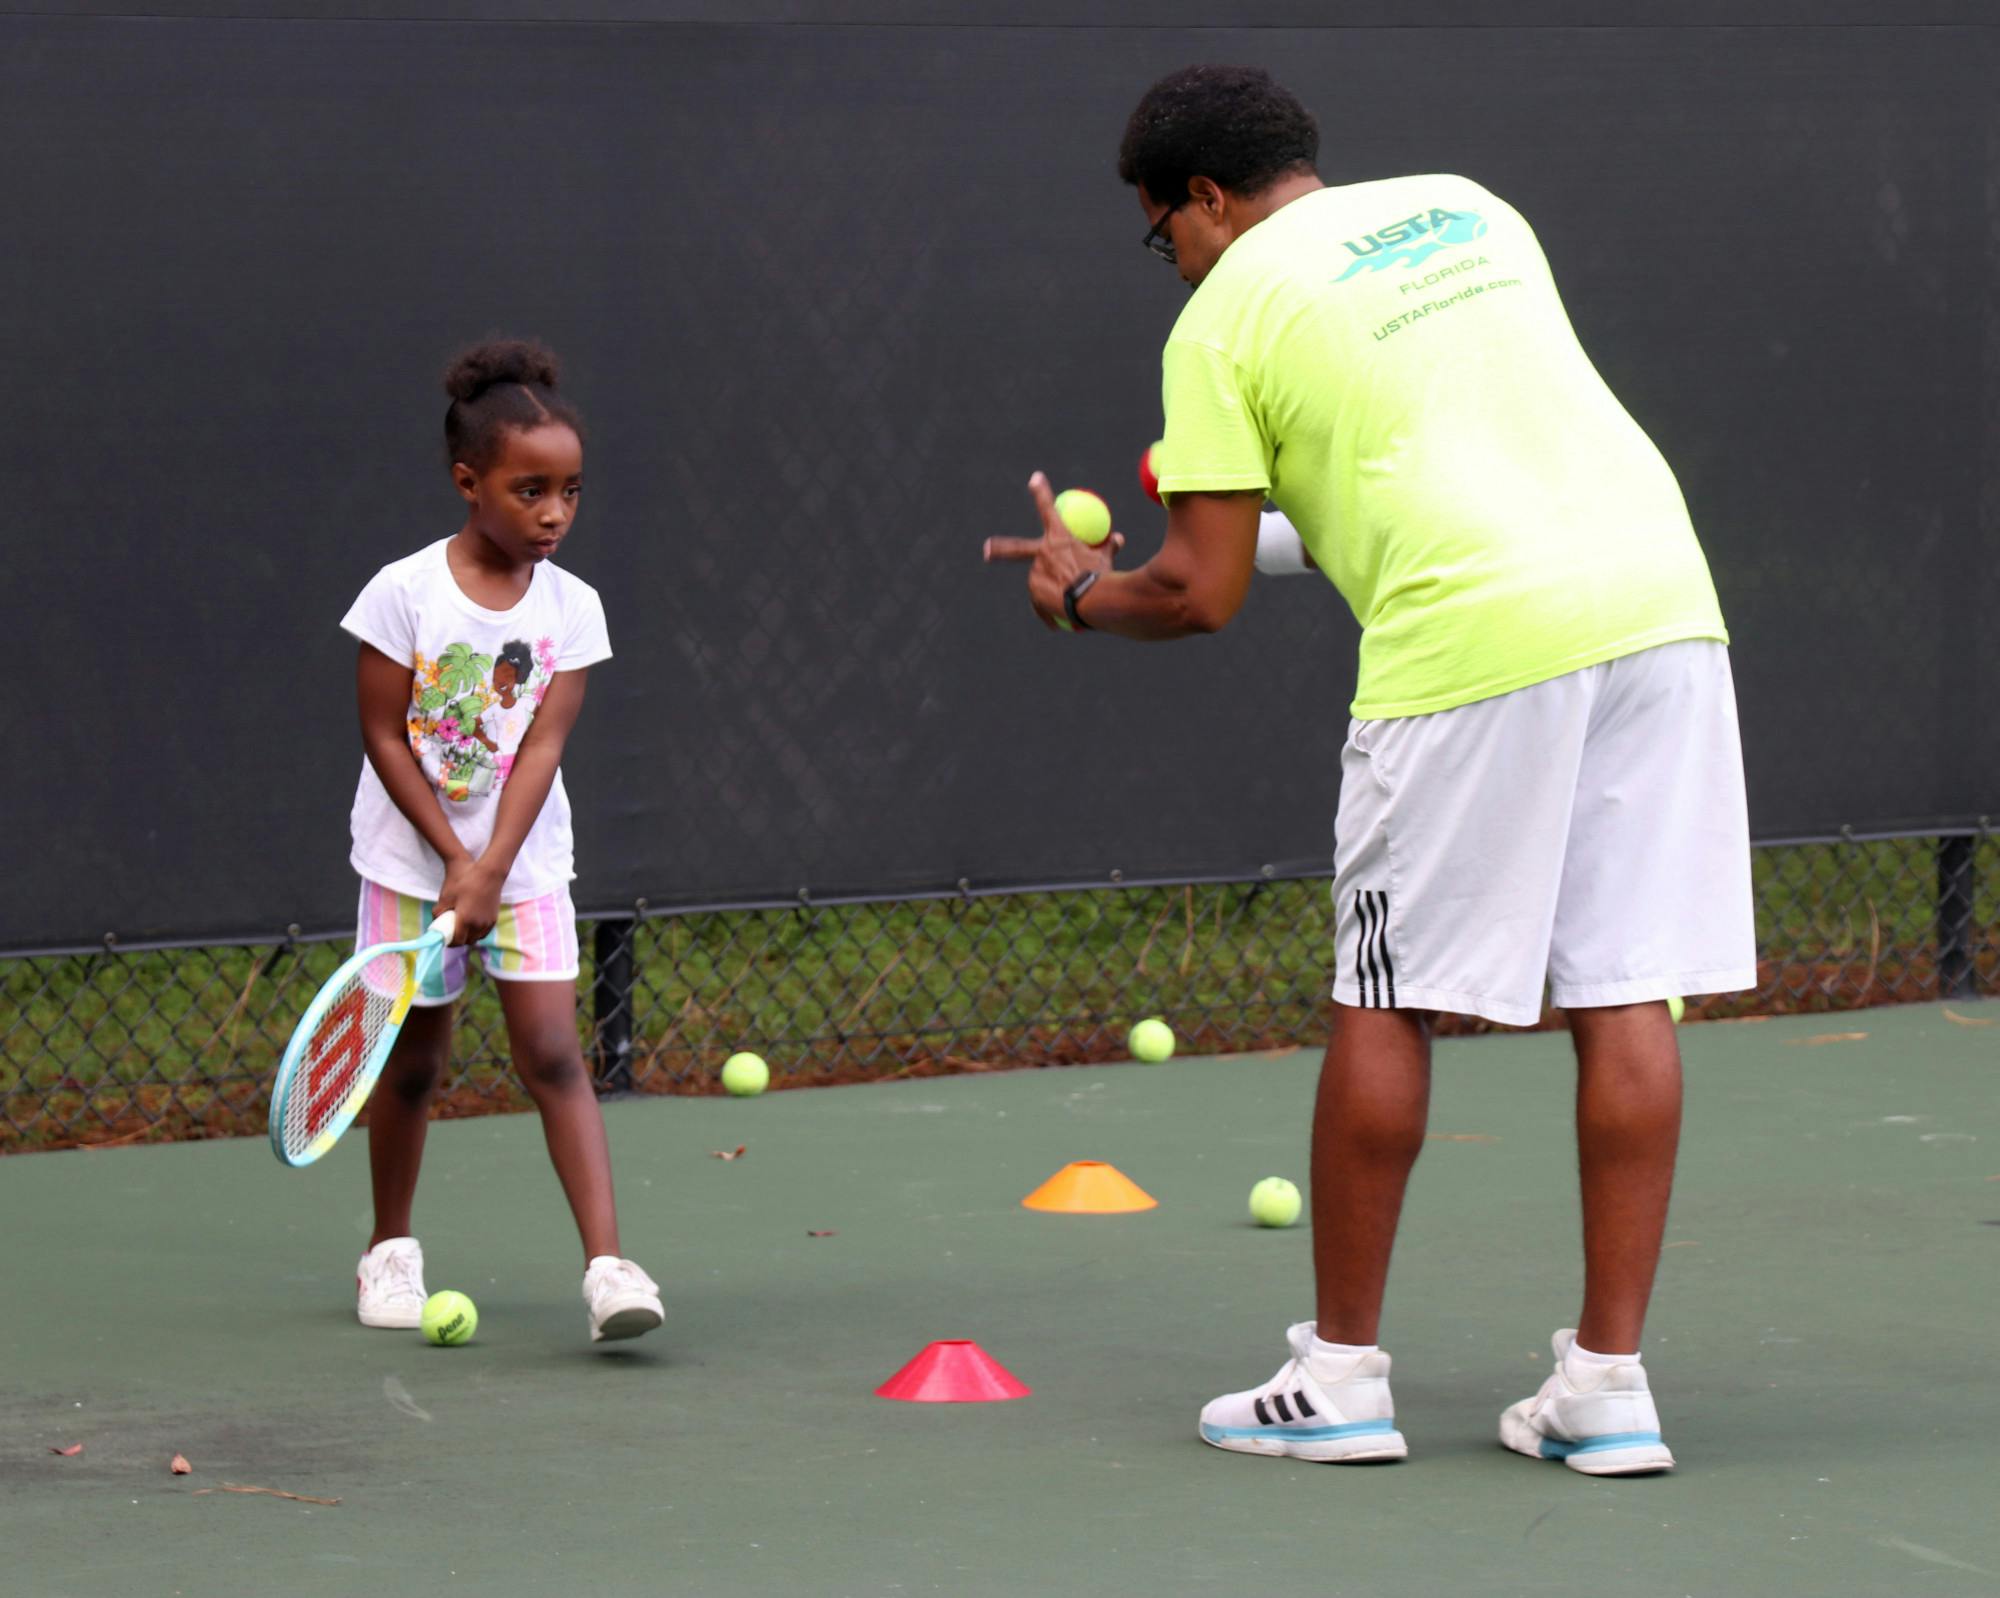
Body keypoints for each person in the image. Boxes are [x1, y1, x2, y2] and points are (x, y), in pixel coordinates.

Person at [987, 65, 1755, 1474]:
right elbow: (1408, 477)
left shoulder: (1223, 318)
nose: (1176, 263)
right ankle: (1609, 1384)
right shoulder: (1469, 210)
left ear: (1204, 200)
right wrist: (1183, 547)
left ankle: (1339, 1377)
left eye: (1166, 234)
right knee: (1626, 980)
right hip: (1661, 604)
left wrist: (1077, 596)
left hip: (1472, 642)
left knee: (1383, 994)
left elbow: (1197, 593)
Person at [339, 338, 663, 1344]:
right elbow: (384, 733)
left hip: (521, 870)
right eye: (531, 490)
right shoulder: (403, 591)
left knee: (554, 1053)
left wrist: (486, 873)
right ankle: (389, 1248)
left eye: (570, 490)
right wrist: (447, 862)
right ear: (467, 481)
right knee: (411, 1064)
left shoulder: (574, 608)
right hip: (407, 868)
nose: (555, 512)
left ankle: (610, 1268)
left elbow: (540, 749)